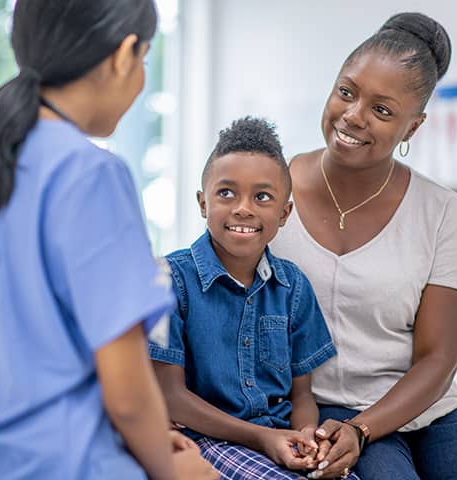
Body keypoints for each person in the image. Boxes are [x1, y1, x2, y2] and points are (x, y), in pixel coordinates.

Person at [0, 1, 218, 479]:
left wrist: (131, 440)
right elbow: (127, 392)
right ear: (124, 55)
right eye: (144, 59)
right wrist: (167, 469)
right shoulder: (91, 174)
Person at [270, 12, 457, 480]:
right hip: (319, 408)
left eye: (382, 109)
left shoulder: (442, 213)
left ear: (412, 128)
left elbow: (437, 359)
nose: (353, 116)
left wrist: (363, 429)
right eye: (346, 92)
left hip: (425, 409)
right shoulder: (274, 186)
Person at [149, 117, 359, 480]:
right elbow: (170, 397)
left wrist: (306, 435)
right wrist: (264, 439)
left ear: (284, 213)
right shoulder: (171, 280)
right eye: (226, 193)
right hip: (206, 439)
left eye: (262, 196)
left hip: (277, 435)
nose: (243, 208)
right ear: (203, 203)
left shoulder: (292, 286)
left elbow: (303, 396)